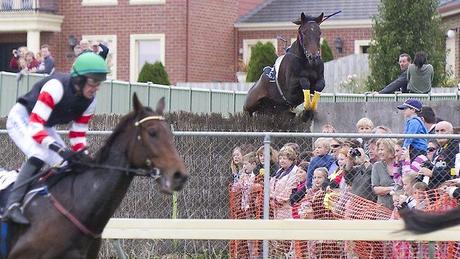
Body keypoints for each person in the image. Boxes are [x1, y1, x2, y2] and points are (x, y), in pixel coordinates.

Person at [2, 53, 109, 224]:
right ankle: (11, 205)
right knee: (40, 153)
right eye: (93, 83)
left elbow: (77, 135)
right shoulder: (56, 87)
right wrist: (60, 149)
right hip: (22, 118)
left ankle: (48, 202)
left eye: (99, 84)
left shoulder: (90, 102)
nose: (95, 88)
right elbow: (36, 128)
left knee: (68, 164)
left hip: (44, 126)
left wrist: (83, 155)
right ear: (79, 80)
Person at [419, 121, 459, 189]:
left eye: (443, 131)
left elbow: (454, 171)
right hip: (435, 188)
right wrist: (429, 166)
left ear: (451, 132)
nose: (439, 134)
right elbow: (440, 167)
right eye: (437, 131)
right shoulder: (439, 149)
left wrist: (433, 173)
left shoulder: (455, 147)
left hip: (449, 187)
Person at [371, 138, 398, 210]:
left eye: (382, 150)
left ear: (391, 150)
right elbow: (375, 189)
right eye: (379, 150)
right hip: (383, 208)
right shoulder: (377, 166)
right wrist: (392, 189)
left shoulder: (400, 164)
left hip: (400, 207)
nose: (379, 152)